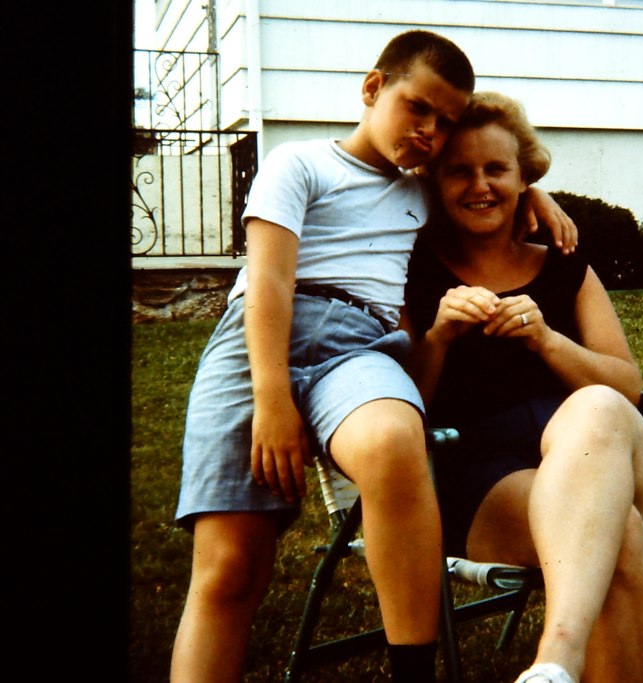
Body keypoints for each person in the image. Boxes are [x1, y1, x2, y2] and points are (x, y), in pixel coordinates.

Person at [170, 32, 576, 683]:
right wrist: (273, 399)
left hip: (360, 347)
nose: (430, 132)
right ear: (372, 88)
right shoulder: (298, 163)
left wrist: (534, 192)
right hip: (256, 347)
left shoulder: (423, 193)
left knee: (393, 438)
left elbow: (484, 185)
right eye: (418, 108)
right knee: (229, 568)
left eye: (444, 122)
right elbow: (268, 283)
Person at [403, 92, 643, 683]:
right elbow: (404, 408)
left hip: (611, 454)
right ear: (434, 182)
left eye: (496, 169)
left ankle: (557, 658)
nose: (480, 185)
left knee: (596, 403)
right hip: (486, 480)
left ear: (524, 177)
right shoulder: (416, 273)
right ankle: (558, 663)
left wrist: (547, 340)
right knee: (612, 532)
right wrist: (439, 336)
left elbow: (627, 385)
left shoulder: (564, 265)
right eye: (460, 171)